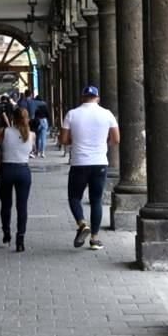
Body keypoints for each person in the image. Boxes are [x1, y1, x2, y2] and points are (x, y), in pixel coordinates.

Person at [60, 85, 120, 251]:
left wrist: (77, 141)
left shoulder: (72, 114)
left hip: (79, 162)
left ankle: (81, 223)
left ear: (82, 97)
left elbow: (64, 140)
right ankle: (94, 239)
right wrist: (101, 144)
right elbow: (116, 139)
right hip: (99, 162)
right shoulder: (107, 114)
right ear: (98, 98)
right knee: (96, 201)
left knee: (74, 197)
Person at [0, 106, 34, 252]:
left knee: (6, 204)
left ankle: (6, 233)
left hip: (6, 171)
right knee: (22, 207)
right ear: (27, 118)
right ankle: (20, 238)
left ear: (13, 119)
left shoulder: (3, 132)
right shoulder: (32, 135)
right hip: (23, 171)